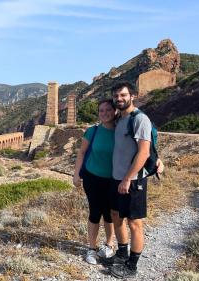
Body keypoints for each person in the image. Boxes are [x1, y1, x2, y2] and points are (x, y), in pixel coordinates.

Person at [105, 81, 155, 278]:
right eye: (116, 96)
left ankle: (132, 266)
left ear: (132, 96)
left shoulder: (140, 119)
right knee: (116, 216)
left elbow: (143, 153)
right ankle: (122, 253)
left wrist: (127, 179)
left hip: (133, 181)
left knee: (135, 223)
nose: (119, 99)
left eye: (123, 95)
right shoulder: (119, 119)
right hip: (117, 178)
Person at [73, 99, 117, 264]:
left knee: (111, 214)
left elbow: (146, 137)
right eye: (101, 110)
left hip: (113, 179)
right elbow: (82, 153)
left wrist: (156, 160)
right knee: (94, 212)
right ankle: (91, 248)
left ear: (115, 111)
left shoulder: (121, 131)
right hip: (92, 178)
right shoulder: (92, 131)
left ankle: (109, 245)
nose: (104, 113)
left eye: (108, 110)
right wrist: (76, 174)